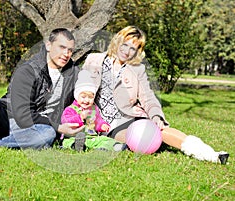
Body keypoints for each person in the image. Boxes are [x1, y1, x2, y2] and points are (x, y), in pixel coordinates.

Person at [82, 26, 229, 164]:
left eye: (133, 48)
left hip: (131, 116)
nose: (127, 51)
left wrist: (156, 116)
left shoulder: (137, 69)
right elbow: (80, 88)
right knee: (137, 137)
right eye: (125, 45)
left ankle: (211, 155)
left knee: (160, 130)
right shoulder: (94, 60)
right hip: (106, 123)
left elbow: (148, 97)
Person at [0, 28, 84, 161]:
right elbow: (23, 114)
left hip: (35, 127)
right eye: (62, 47)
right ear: (48, 45)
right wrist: (59, 127)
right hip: (6, 119)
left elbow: (88, 88)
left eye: (70, 50)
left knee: (48, 134)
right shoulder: (28, 70)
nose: (66, 54)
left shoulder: (73, 73)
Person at [60, 70, 127, 151]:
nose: (87, 100)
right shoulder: (70, 109)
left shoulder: (93, 109)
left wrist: (102, 125)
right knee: (68, 142)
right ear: (77, 96)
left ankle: (112, 147)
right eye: (83, 97)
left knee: (103, 139)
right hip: (74, 136)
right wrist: (80, 117)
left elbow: (97, 120)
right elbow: (66, 121)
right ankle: (76, 146)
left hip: (91, 137)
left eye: (90, 97)